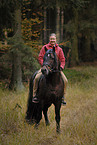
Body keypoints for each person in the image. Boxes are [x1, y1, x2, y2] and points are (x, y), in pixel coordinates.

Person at [32, 33, 68, 105]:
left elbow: (62, 59)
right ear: (49, 39)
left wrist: (61, 67)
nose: (52, 40)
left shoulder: (59, 49)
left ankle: (62, 97)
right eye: (51, 39)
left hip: (56, 70)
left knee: (65, 80)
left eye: (53, 39)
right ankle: (35, 95)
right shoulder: (44, 47)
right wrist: (44, 66)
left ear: (55, 40)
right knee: (36, 78)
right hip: (46, 68)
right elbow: (40, 57)